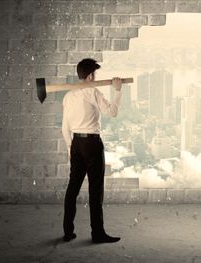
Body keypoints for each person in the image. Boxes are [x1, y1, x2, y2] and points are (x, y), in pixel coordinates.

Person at [61, 58, 122, 243]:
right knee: (95, 190)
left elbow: (64, 128)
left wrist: (70, 148)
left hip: (76, 144)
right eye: (94, 74)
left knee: (72, 188)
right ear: (90, 76)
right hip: (92, 144)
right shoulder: (93, 92)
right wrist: (117, 90)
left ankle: (68, 232)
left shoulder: (68, 96)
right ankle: (97, 234)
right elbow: (112, 112)